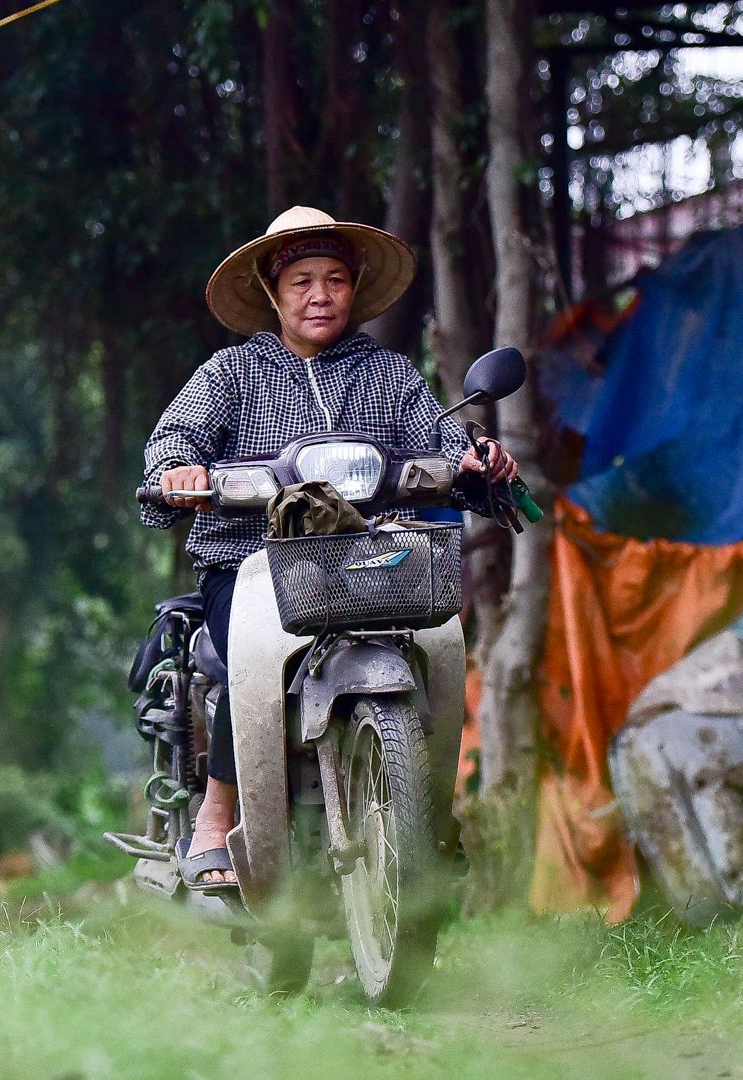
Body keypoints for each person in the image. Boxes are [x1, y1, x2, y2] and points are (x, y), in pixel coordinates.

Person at [140, 206, 517, 891]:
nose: (320, 295)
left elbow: (440, 435)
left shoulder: (390, 374)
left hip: (368, 560)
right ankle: (215, 814)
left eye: (336, 279)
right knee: (245, 659)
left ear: (354, 289)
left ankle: (429, 813)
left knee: (441, 643)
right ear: (273, 294)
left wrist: (476, 457)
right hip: (251, 563)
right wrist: (180, 470)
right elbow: (175, 438)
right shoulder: (232, 373)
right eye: (303, 281)